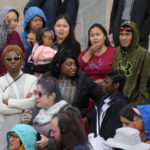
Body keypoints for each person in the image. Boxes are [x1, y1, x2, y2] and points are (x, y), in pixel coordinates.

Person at [43, 49, 104, 118]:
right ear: (58, 65)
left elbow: (103, 98)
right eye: (69, 64)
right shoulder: (47, 78)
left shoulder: (83, 79)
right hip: (49, 121)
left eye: (75, 64)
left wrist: (88, 117)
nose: (74, 67)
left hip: (74, 123)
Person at [0, 45, 37, 150]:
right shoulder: (0, 81)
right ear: (4, 61)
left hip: (24, 129)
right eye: (9, 59)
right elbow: (0, 108)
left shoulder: (32, 80)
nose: (13, 61)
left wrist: (9, 101)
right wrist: (23, 107)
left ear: (22, 59)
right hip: (3, 127)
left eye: (16, 58)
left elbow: (33, 103)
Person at [22, 76, 67, 150]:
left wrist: (49, 142)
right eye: (35, 93)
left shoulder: (66, 111)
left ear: (52, 96)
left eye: (39, 94)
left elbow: (71, 140)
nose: (36, 96)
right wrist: (25, 123)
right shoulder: (37, 109)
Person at [87, 70, 128, 150]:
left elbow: (111, 132)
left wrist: (97, 143)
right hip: (95, 142)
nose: (102, 84)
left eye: (106, 82)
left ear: (116, 85)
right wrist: (92, 136)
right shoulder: (103, 100)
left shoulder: (120, 104)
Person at [112, 21, 150, 104]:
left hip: (133, 104)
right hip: (116, 101)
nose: (124, 38)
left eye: (127, 34)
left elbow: (144, 87)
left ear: (134, 36)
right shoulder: (117, 51)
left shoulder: (143, 55)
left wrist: (138, 108)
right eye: (121, 34)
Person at [19, 6, 47, 73]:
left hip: (41, 74)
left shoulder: (46, 36)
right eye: (35, 20)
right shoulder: (20, 37)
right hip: (24, 74)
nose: (38, 23)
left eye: (40, 20)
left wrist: (36, 45)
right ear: (28, 22)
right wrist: (29, 47)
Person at [0, 6, 25, 76]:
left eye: (15, 20)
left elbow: (22, 52)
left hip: (13, 74)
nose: (12, 23)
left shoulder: (15, 34)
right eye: (9, 20)